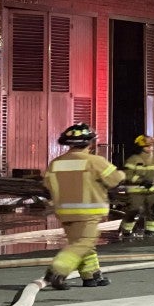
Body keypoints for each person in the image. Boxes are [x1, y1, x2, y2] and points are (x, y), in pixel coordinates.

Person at [43, 123, 125, 289]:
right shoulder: (94, 161)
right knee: (84, 243)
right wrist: (124, 174)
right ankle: (57, 270)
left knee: (81, 243)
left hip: (64, 212)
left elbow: (47, 185)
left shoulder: (55, 163)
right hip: (89, 213)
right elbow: (115, 179)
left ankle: (91, 275)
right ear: (90, 142)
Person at [121, 135, 154, 238]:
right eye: (147, 146)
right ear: (140, 147)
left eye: (151, 146)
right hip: (136, 191)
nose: (150, 148)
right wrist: (141, 181)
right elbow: (127, 175)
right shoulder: (133, 159)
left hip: (153, 191)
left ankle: (152, 232)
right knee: (134, 210)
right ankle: (126, 231)